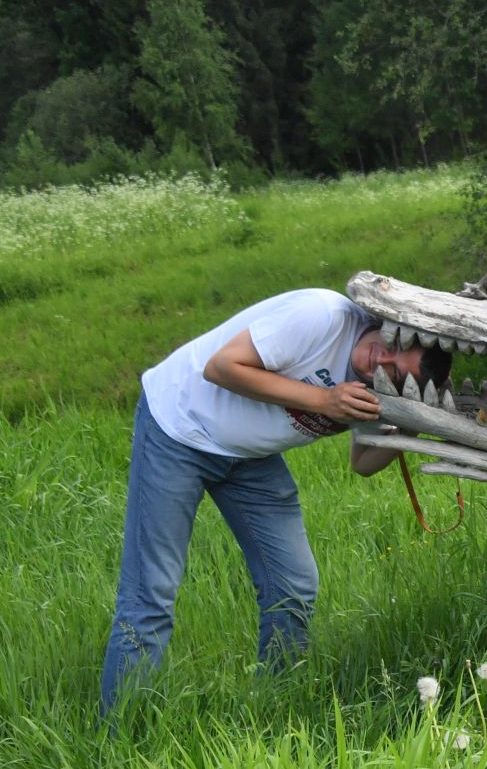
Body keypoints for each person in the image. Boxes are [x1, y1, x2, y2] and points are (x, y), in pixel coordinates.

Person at [99, 287, 449, 714]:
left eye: (396, 375)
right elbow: (221, 367)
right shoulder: (321, 317)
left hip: (247, 457)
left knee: (294, 587)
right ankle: (119, 733)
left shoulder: (376, 385)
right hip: (178, 428)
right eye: (393, 347)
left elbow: (363, 462)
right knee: (151, 594)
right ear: (391, 326)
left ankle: (273, 708)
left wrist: (413, 426)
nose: (383, 361)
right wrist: (324, 399)